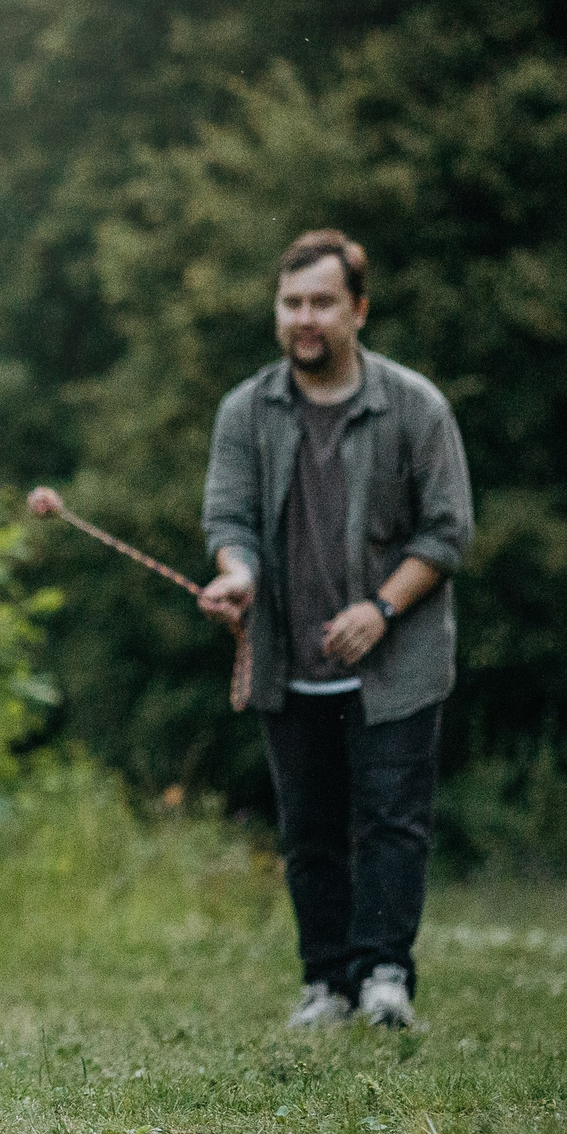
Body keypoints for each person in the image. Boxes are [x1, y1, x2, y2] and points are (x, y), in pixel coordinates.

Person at [197, 230, 473, 1030]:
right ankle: (328, 984)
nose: (304, 318)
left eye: (321, 301)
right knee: (309, 829)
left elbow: (449, 533)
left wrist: (381, 608)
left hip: (399, 660)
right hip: (290, 661)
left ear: (358, 308)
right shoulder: (245, 411)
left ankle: (386, 975)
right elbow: (229, 516)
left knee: (393, 819)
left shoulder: (415, 407)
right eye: (291, 303)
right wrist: (238, 575)